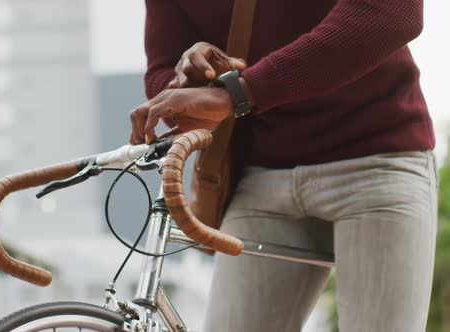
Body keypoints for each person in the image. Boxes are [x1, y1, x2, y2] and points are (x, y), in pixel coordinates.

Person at [129, 0, 438, 331]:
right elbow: (163, 73)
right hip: (262, 174)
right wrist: (192, 80)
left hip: (376, 159)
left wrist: (240, 91)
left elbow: (393, 14)